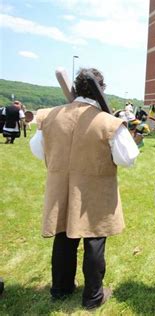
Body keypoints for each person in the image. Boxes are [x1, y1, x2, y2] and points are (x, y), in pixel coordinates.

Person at [29, 68, 139, 309]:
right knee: (94, 240)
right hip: (95, 190)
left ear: (77, 90)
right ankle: (93, 297)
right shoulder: (107, 122)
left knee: (63, 237)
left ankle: (60, 289)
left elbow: (36, 150)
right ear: (102, 89)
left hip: (61, 189)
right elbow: (128, 157)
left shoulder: (51, 116)